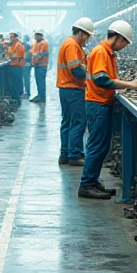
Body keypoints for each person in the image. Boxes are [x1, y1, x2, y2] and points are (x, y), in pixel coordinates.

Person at [79, 20, 137, 200]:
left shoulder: (108, 53)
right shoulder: (100, 52)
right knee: (96, 146)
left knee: (101, 146)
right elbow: (101, 80)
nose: (124, 46)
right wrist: (129, 85)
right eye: (124, 42)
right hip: (97, 104)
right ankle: (86, 185)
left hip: (101, 102)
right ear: (118, 37)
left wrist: (120, 85)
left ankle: (92, 181)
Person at [56, 18, 94, 166]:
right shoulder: (72, 45)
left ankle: (65, 154)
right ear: (81, 33)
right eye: (88, 35)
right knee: (78, 122)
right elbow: (77, 70)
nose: (88, 39)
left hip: (65, 89)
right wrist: (93, 74)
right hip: (73, 88)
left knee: (67, 122)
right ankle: (75, 155)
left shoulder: (70, 43)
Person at [29, 29, 50, 103]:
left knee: (40, 82)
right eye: (36, 35)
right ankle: (40, 95)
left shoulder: (43, 43)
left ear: (41, 36)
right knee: (38, 81)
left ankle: (42, 97)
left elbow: (40, 55)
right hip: (38, 65)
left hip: (41, 65)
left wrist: (33, 63)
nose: (36, 36)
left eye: (38, 35)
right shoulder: (36, 43)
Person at [6, 31, 26, 99]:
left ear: (16, 37)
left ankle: (17, 98)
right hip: (14, 66)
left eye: (12, 37)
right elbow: (9, 54)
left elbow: (15, 56)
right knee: (14, 83)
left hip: (17, 67)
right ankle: (16, 96)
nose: (10, 38)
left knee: (16, 83)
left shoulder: (19, 46)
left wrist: (8, 57)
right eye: (10, 37)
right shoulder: (12, 45)